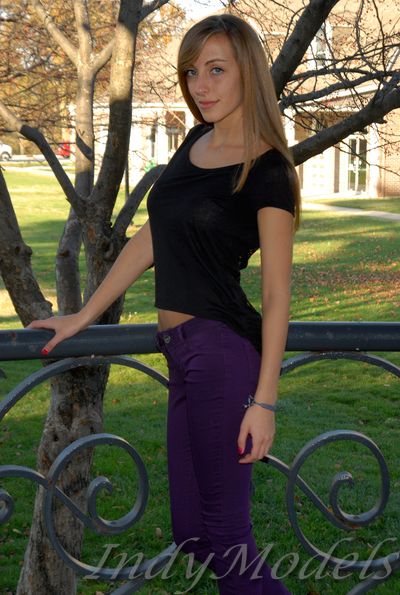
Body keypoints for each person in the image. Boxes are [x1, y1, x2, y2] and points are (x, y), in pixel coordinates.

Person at [29, 13, 301, 595]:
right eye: (192, 72)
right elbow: (153, 236)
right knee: (192, 533)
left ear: (248, 72)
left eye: (216, 70)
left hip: (222, 353)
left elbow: (277, 294)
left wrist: (265, 402)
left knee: (226, 536)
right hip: (179, 352)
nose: (200, 85)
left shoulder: (269, 169)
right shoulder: (196, 143)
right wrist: (84, 315)